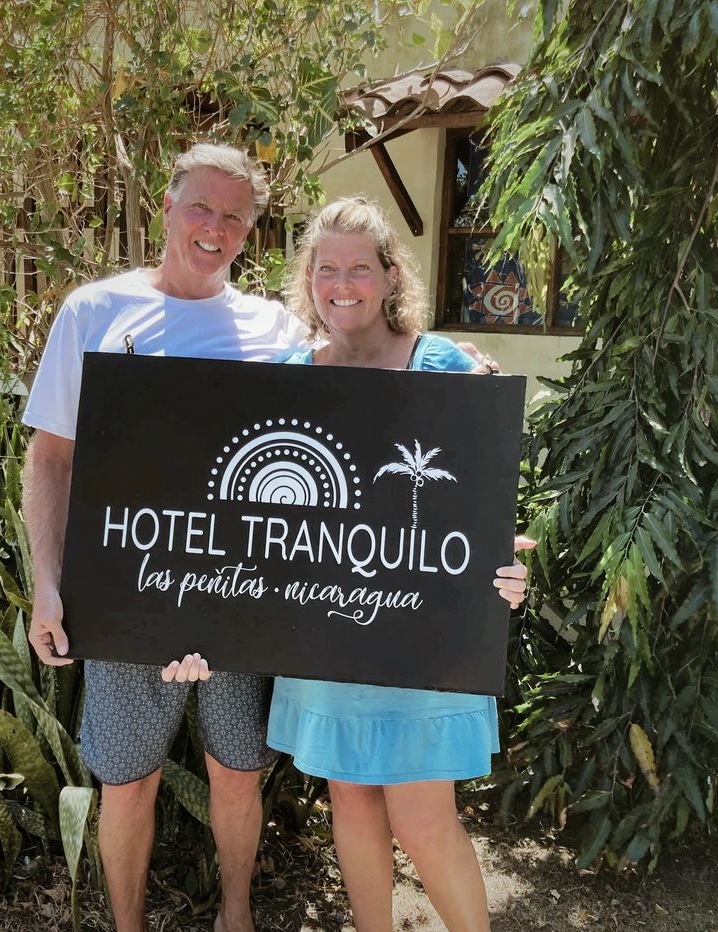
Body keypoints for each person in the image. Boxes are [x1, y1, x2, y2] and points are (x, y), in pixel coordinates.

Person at [20, 143, 306, 932]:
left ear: (250, 232)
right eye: (201, 208)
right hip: (124, 600)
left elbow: (352, 391)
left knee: (238, 772)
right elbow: (49, 457)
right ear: (168, 207)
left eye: (235, 217)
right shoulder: (95, 311)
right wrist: (48, 583)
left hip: (238, 601)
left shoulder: (272, 325)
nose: (215, 228)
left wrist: (458, 371)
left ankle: (236, 915)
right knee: (127, 782)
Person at [264, 196, 532, 932]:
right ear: (308, 280)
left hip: (423, 633)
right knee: (349, 800)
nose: (341, 283)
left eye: (359, 267)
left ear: (388, 276)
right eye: (326, 269)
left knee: (420, 817)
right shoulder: (290, 373)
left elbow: (483, 492)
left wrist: (504, 563)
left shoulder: (441, 362)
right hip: (327, 633)